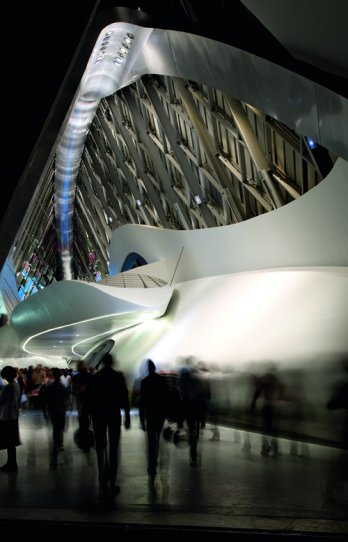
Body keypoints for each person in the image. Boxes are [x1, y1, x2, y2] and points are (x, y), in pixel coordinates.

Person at [87, 353, 131, 499]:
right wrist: (127, 417)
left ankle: (102, 475)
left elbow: (90, 398)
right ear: (112, 362)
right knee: (113, 446)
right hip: (113, 415)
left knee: (100, 446)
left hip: (99, 415)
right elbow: (124, 397)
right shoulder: (118, 377)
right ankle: (112, 477)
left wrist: (89, 416)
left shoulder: (96, 377)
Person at [139, 359, 168, 483]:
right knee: (157, 435)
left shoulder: (145, 382)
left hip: (150, 414)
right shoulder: (162, 380)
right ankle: (156, 458)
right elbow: (166, 397)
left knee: (151, 441)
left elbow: (142, 402)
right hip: (160, 413)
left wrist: (141, 419)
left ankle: (152, 467)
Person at [41, 368, 69, 467]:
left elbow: (45, 398)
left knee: (55, 427)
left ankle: (56, 444)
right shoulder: (62, 386)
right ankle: (60, 444)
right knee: (60, 427)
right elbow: (66, 398)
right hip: (61, 409)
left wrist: (45, 410)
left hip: (53, 410)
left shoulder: (49, 386)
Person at [0, 366, 21, 472]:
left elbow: (1, 400)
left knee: (9, 441)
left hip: (6, 416)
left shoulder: (8, 387)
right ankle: (12, 462)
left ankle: (11, 463)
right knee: (12, 442)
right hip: (14, 415)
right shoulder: (16, 385)